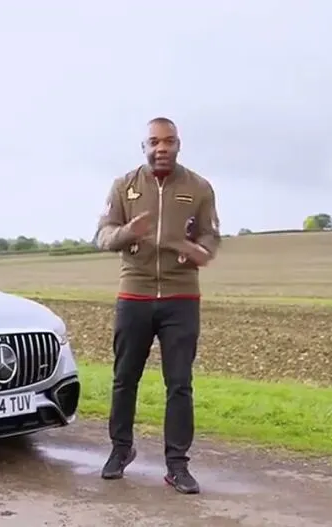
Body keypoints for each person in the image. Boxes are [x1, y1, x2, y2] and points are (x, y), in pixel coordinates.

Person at [93, 117, 221, 494]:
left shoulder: (199, 187)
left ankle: (177, 465)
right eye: (154, 142)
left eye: (168, 141)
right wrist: (126, 233)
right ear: (144, 147)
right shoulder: (124, 186)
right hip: (134, 294)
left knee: (179, 384)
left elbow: (211, 234)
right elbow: (103, 235)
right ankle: (120, 450)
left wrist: (200, 250)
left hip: (181, 298)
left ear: (178, 145)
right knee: (124, 379)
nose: (161, 148)